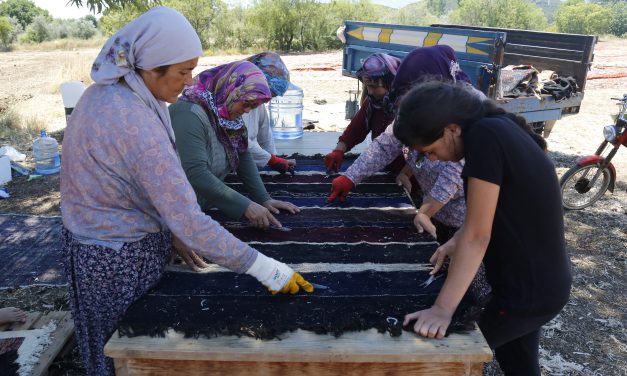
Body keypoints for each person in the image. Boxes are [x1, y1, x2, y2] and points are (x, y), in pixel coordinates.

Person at [60, 8, 312, 376]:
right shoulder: (134, 120)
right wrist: (267, 269)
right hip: (115, 257)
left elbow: (138, 184)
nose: (189, 80)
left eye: (192, 69)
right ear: (150, 67)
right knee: (125, 350)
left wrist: (170, 228)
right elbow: (189, 217)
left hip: (100, 246)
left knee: (109, 343)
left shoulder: (113, 96)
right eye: (182, 71)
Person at [395, 80, 565, 375]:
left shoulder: (486, 138)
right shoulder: (497, 128)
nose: (431, 159)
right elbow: (497, 213)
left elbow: (478, 235)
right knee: (520, 366)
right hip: (541, 285)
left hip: (526, 294)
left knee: (445, 359)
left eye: (430, 150)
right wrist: (454, 241)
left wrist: (442, 310)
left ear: (452, 129)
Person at [327, 45, 477, 244]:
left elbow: (456, 171)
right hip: (435, 210)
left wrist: (426, 210)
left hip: (467, 223)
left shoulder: (470, 112)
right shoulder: (418, 106)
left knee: (461, 267)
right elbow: (386, 144)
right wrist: (350, 177)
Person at [170, 61, 299, 230]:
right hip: (174, 208)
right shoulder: (189, 113)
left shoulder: (224, 112)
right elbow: (195, 173)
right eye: (246, 104)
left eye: (252, 107)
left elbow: (242, 153)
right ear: (231, 89)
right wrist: (245, 206)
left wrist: (263, 198)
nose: (247, 111)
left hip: (199, 203)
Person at [323, 53, 403, 174]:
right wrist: (338, 150)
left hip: (411, 172)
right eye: (367, 86)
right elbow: (356, 129)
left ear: (390, 82)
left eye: (374, 86)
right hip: (388, 168)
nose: (370, 91)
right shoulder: (373, 102)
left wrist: (406, 173)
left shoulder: (407, 106)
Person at [242, 52, 295, 174]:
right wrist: (272, 160)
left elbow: (264, 133)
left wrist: (275, 158)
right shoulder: (233, 100)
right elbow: (240, 141)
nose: (266, 101)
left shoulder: (257, 99)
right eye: (268, 94)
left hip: (247, 156)